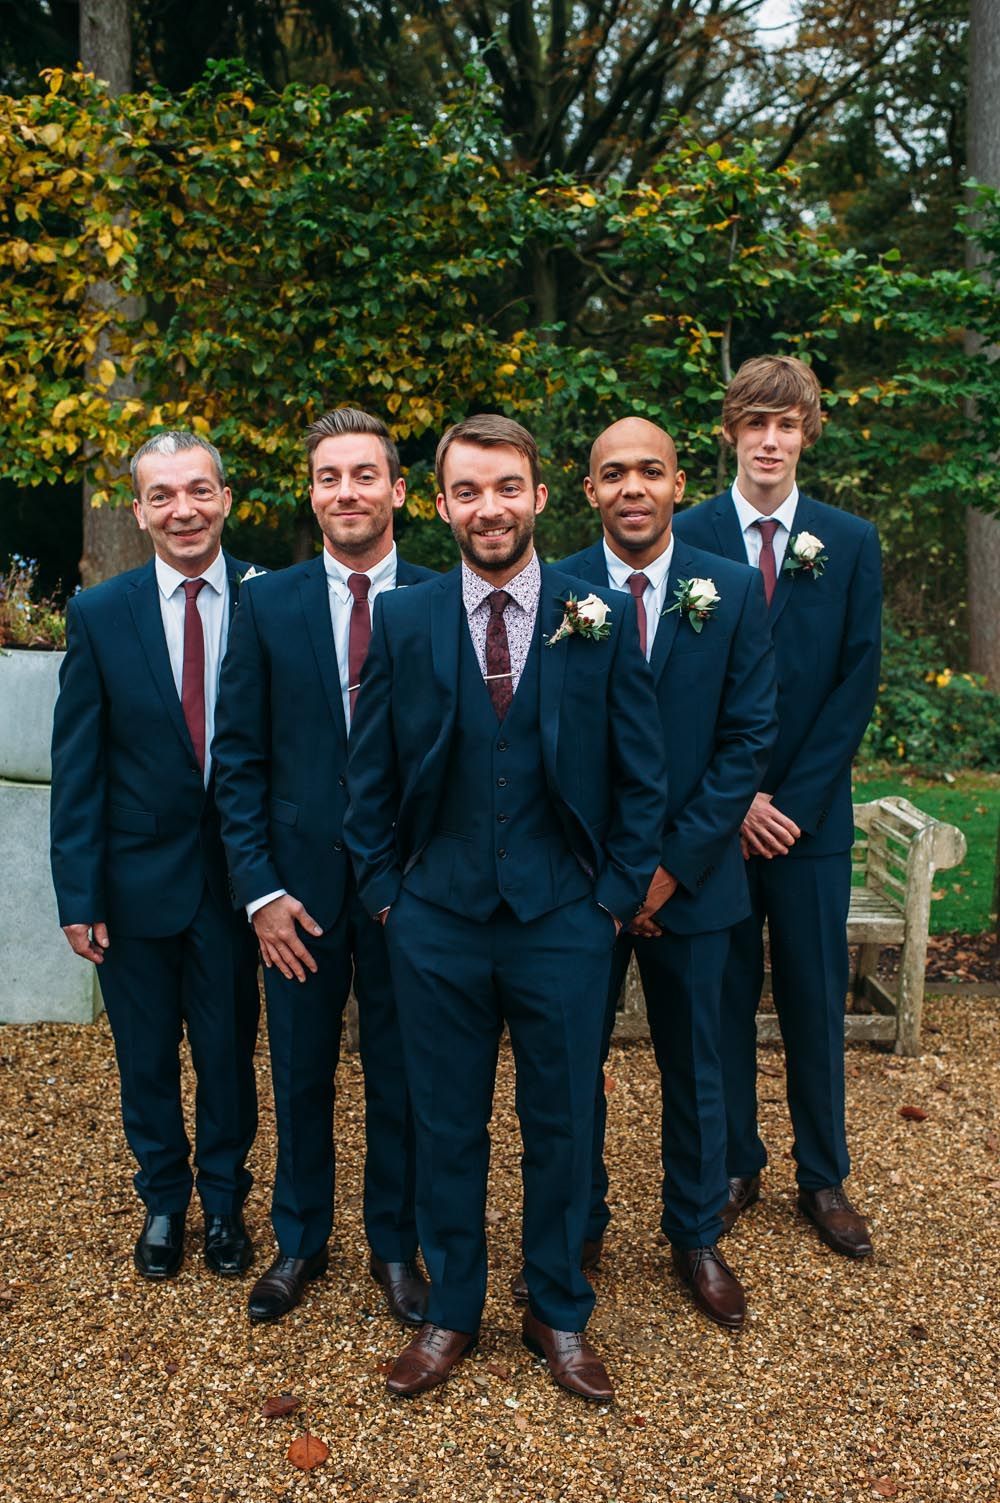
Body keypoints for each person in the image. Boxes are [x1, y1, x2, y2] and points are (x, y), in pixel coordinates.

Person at [345, 414, 669, 1401]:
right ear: (440, 503)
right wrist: (389, 897)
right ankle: (451, 1314)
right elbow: (367, 781)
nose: (490, 508)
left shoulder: (596, 612)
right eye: (469, 491)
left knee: (563, 1122)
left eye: (507, 488)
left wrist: (611, 901)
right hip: (434, 921)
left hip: (562, 923)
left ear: (538, 495)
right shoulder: (402, 621)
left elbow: (641, 776)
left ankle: (557, 1311)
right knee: (444, 1124)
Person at [212, 408, 434, 1326]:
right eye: (329, 477)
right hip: (296, 894)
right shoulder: (267, 603)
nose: (347, 492)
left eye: (364, 474)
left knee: (405, 1075)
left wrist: (430, 888)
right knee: (298, 1070)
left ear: (398, 489)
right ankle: (299, 1240)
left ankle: (396, 1245)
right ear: (313, 493)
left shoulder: (439, 595)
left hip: (411, 894)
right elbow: (238, 760)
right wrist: (260, 890)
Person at [554, 417, 777, 1329]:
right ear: (590, 490)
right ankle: (580, 1225)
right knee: (570, 1067)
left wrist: (671, 867)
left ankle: (695, 1233)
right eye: (614, 474)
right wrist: (614, 873)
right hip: (579, 884)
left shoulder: (729, 589)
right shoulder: (557, 589)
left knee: (699, 1065)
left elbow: (746, 739)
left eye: (650, 470)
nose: (633, 487)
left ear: (680, 482)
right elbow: (546, 743)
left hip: (697, 879)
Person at [673, 355, 882, 1258]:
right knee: (717, 999)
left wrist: (786, 803)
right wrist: (735, 801)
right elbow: (671, 688)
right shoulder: (685, 534)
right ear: (730, 432)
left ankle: (823, 1172)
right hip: (717, 818)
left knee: (811, 995)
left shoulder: (849, 540)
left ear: (808, 433)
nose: (769, 440)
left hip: (809, 823)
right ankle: (732, 1160)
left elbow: (853, 683)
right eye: (754, 423)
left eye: (786, 425)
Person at [50, 430, 261, 1282]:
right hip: (134, 884)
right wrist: (78, 892)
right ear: (138, 510)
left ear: (225, 498)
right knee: (144, 1055)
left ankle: (225, 1200)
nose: (184, 509)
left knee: (227, 1054)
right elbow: (79, 763)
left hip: (240, 881)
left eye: (199, 490)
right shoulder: (100, 613)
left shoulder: (267, 599)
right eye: (163, 495)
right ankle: (164, 1200)